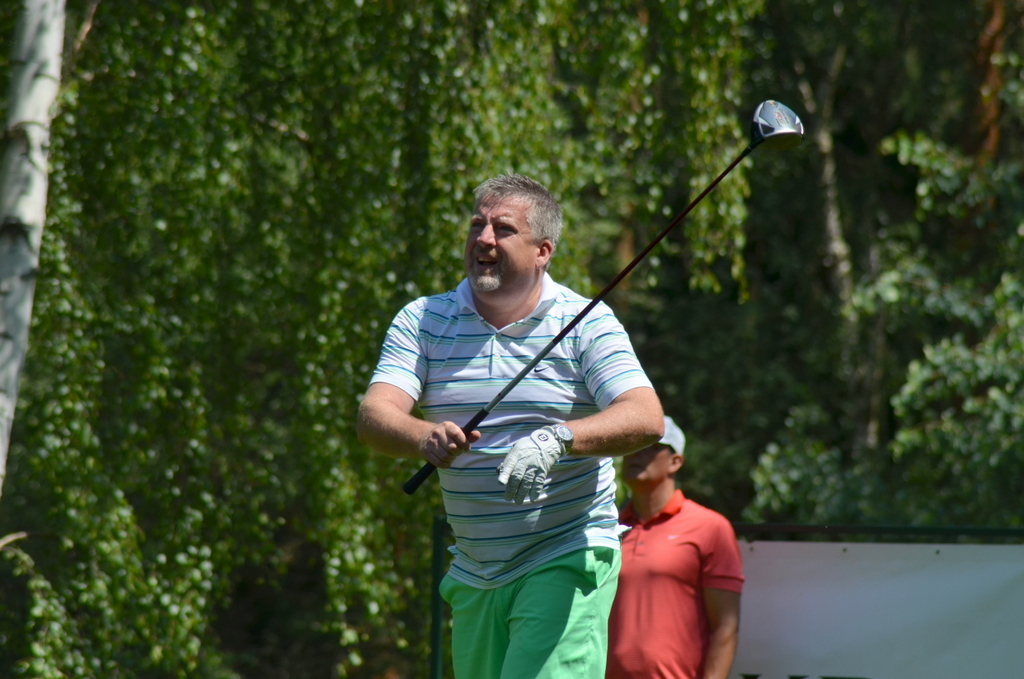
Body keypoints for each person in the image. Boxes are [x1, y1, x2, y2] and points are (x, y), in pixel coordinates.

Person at [358, 173, 664, 679]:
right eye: (476, 225)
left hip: (566, 553)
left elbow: (645, 416)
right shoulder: (423, 320)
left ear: (543, 251)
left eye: (502, 229)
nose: (483, 239)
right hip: (475, 570)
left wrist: (559, 438)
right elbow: (374, 415)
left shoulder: (588, 322)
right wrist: (422, 436)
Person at [606, 416, 744, 679]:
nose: (636, 454)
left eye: (650, 447)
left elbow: (726, 627)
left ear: (676, 461)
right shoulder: (606, 530)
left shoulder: (710, 527)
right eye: (631, 446)